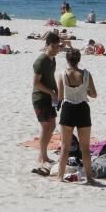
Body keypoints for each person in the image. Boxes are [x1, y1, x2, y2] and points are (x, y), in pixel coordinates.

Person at [55, 48, 98, 184]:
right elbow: (94, 94)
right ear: (79, 60)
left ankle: (60, 177)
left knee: (64, 147)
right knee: (85, 147)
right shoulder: (86, 74)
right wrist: (84, 90)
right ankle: (89, 178)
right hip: (82, 109)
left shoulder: (62, 74)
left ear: (67, 60)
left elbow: (60, 96)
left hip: (68, 108)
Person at [31, 32, 61, 173]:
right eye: (54, 46)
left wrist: (57, 92)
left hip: (50, 97)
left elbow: (51, 77)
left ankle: (42, 155)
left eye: (58, 46)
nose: (56, 49)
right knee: (45, 127)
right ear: (47, 45)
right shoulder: (40, 61)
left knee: (52, 125)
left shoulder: (52, 60)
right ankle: (42, 157)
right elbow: (36, 83)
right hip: (39, 98)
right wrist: (51, 92)